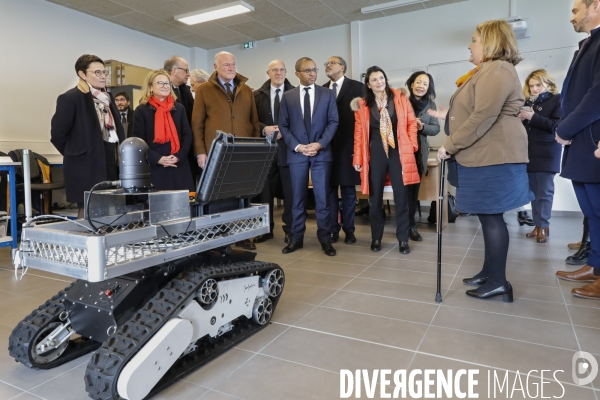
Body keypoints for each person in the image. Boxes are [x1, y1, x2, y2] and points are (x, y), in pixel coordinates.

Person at [435, 19, 531, 303]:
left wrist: (450, 144)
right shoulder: (488, 71)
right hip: (484, 155)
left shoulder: (498, 69)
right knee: (489, 215)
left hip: (493, 156)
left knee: (491, 216)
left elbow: (483, 116)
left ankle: (500, 282)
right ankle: (490, 272)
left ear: (490, 42)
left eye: (474, 40)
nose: (469, 44)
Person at [191, 51, 260, 250]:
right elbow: (197, 124)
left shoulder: (247, 90)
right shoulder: (204, 90)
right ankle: (219, 234)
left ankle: (243, 235)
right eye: (226, 65)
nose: (231, 68)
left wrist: (255, 151)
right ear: (216, 67)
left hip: (243, 151)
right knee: (219, 194)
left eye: (233, 64)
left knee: (242, 195)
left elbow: (254, 122)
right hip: (216, 152)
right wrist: (201, 152)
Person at [555, 0, 600, 299]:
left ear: (594, 5)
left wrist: (564, 128)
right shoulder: (589, 44)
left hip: (592, 140)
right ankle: (595, 265)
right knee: (592, 212)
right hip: (581, 142)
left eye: (575, 10)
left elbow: (597, 96)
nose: (572, 17)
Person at [352, 66, 419, 254]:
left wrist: (411, 145)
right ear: (368, 84)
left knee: (401, 196)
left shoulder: (400, 98)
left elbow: (412, 123)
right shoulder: (363, 105)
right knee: (375, 199)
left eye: (381, 77)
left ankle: (403, 239)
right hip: (375, 152)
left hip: (398, 150)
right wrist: (358, 157)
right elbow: (358, 134)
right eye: (374, 79)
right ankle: (376, 238)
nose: (379, 81)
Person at [51, 54, 125, 219]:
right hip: (85, 162)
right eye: (97, 72)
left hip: (109, 157)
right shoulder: (70, 98)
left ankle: (106, 243)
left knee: (109, 205)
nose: (103, 76)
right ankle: (83, 243)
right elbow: (57, 135)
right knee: (87, 207)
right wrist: (77, 153)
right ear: (82, 74)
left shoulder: (107, 98)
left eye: (104, 72)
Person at [278, 57, 339, 256]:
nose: (312, 73)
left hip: (321, 153)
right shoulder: (287, 97)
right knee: (297, 199)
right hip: (297, 154)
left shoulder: (327, 94)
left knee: (322, 199)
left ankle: (325, 239)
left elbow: (333, 122)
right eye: (307, 70)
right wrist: (298, 146)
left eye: (314, 69)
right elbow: (284, 126)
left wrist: (319, 144)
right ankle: (296, 239)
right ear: (297, 73)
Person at [253, 60, 295, 244]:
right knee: (265, 193)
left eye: (282, 70)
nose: (278, 73)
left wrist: (284, 131)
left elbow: (301, 120)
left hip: (289, 149)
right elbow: (251, 120)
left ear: (286, 72)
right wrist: (264, 128)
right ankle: (266, 229)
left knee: (290, 191)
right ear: (268, 72)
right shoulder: (256, 95)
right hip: (265, 150)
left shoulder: (295, 94)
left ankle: (290, 230)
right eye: (275, 70)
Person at [131, 70, 194, 192]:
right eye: (160, 83)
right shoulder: (142, 110)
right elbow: (138, 141)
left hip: (179, 166)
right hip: (155, 168)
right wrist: (157, 158)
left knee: (185, 206)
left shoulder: (179, 108)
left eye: (167, 83)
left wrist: (179, 156)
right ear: (150, 87)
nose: (165, 86)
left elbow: (187, 135)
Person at [324, 56, 364, 245]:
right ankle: (333, 229)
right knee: (329, 192)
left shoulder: (357, 87)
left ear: (342, 67)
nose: (328, 65)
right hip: (326, 148)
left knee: (348, 193)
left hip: (348, 147)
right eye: (326, 64)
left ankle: (349, 230)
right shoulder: (321, 89)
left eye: (332, 62)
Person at [518, 69, 561, 243]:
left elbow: (557, 125)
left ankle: (543, 226)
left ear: (547, 83)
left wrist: (533, 117)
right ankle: (537, 225)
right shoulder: (528, 102)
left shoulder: (557, 99)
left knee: (544, 192)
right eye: (531, 86)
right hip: (529, 153)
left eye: (538, 85)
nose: (534, 89)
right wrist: (520, 120)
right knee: (534, 193)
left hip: (547, 153)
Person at [405, 71, 440, 241]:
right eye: (418, 82)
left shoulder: (431, 106)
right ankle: (404, 224)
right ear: (411, 84)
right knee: (402, 191)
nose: (421, 86)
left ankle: (411, 225)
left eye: (425, 84)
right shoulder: (401, 101)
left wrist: (422, 127)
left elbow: (436, 129)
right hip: (402, 152)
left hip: (419, 154)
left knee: (413, 192)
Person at [164, 56, 197, 179]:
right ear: (174, 71)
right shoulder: (160, 93)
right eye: (186, 70)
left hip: (186, 149)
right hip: (168, 153)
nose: (188, 74)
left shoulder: (186, 92)